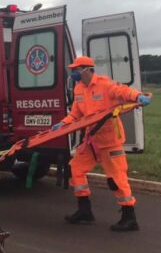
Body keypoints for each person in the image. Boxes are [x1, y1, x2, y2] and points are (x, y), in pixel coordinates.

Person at [51, 56, 152, 232]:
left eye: (77, 69)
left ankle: (129, 217)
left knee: (116, 179)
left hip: (110, 141)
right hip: (91, 140)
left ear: (88, 69)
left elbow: (123, 92)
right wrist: (64, 123)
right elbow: (76, 114)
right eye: (73, 69)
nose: (73, 72)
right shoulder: (79, 89)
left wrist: (138, 96)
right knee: (76, 168)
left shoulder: (104, 85)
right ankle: (85, 210)